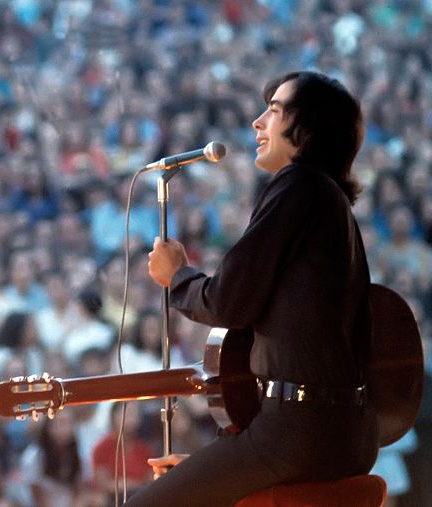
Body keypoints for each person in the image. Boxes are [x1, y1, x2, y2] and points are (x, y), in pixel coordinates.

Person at [132, 71, 379, 506]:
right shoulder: (332, 202)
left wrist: (177, 277)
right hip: (348, 432)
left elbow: (230, 301)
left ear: (307, 130)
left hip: (296, 431)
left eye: (275, 110)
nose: (257, 122)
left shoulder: (298, 184)